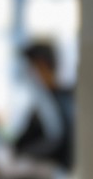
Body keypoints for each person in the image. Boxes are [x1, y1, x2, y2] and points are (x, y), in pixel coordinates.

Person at [12, 41, 74, 169]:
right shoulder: (46, 100)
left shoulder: (58, 101)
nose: (28, 73)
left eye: (30, 67)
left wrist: (24, 156)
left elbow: (55, 139)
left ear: (42, 66)